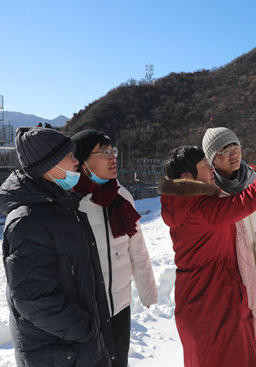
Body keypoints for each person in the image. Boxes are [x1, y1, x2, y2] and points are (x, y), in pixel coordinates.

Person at [159, 135, 256, 367]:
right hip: (214, 305)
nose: (211, 170)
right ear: (188, 177)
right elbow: (250, 198)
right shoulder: (201, 209)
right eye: (205, 167)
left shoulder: (184, 201)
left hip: (202, 300)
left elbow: (248, 177)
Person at [0, 127, 114, 366]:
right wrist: (87, 329)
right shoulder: (29, 221)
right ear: (49, 166)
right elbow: (33, 299)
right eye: (69, 156)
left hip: (75, 348)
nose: (76, 161)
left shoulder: (61, 206)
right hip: (59, 353)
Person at [71, 129, 158, 367]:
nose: (113, 158)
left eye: (113, 152)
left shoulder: (121, 197)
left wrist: (147, 291)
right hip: (87, 311)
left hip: (120, 306)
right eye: (104, 153)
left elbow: (137, 249)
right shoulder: (71, 203)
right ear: (83, 162)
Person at [202, 127, 256, 367]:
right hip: (233, 279)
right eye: (224, 150)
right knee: (240, 339)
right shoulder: (210, 194)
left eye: (236, 147)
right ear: (211, 159)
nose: (233, 154)